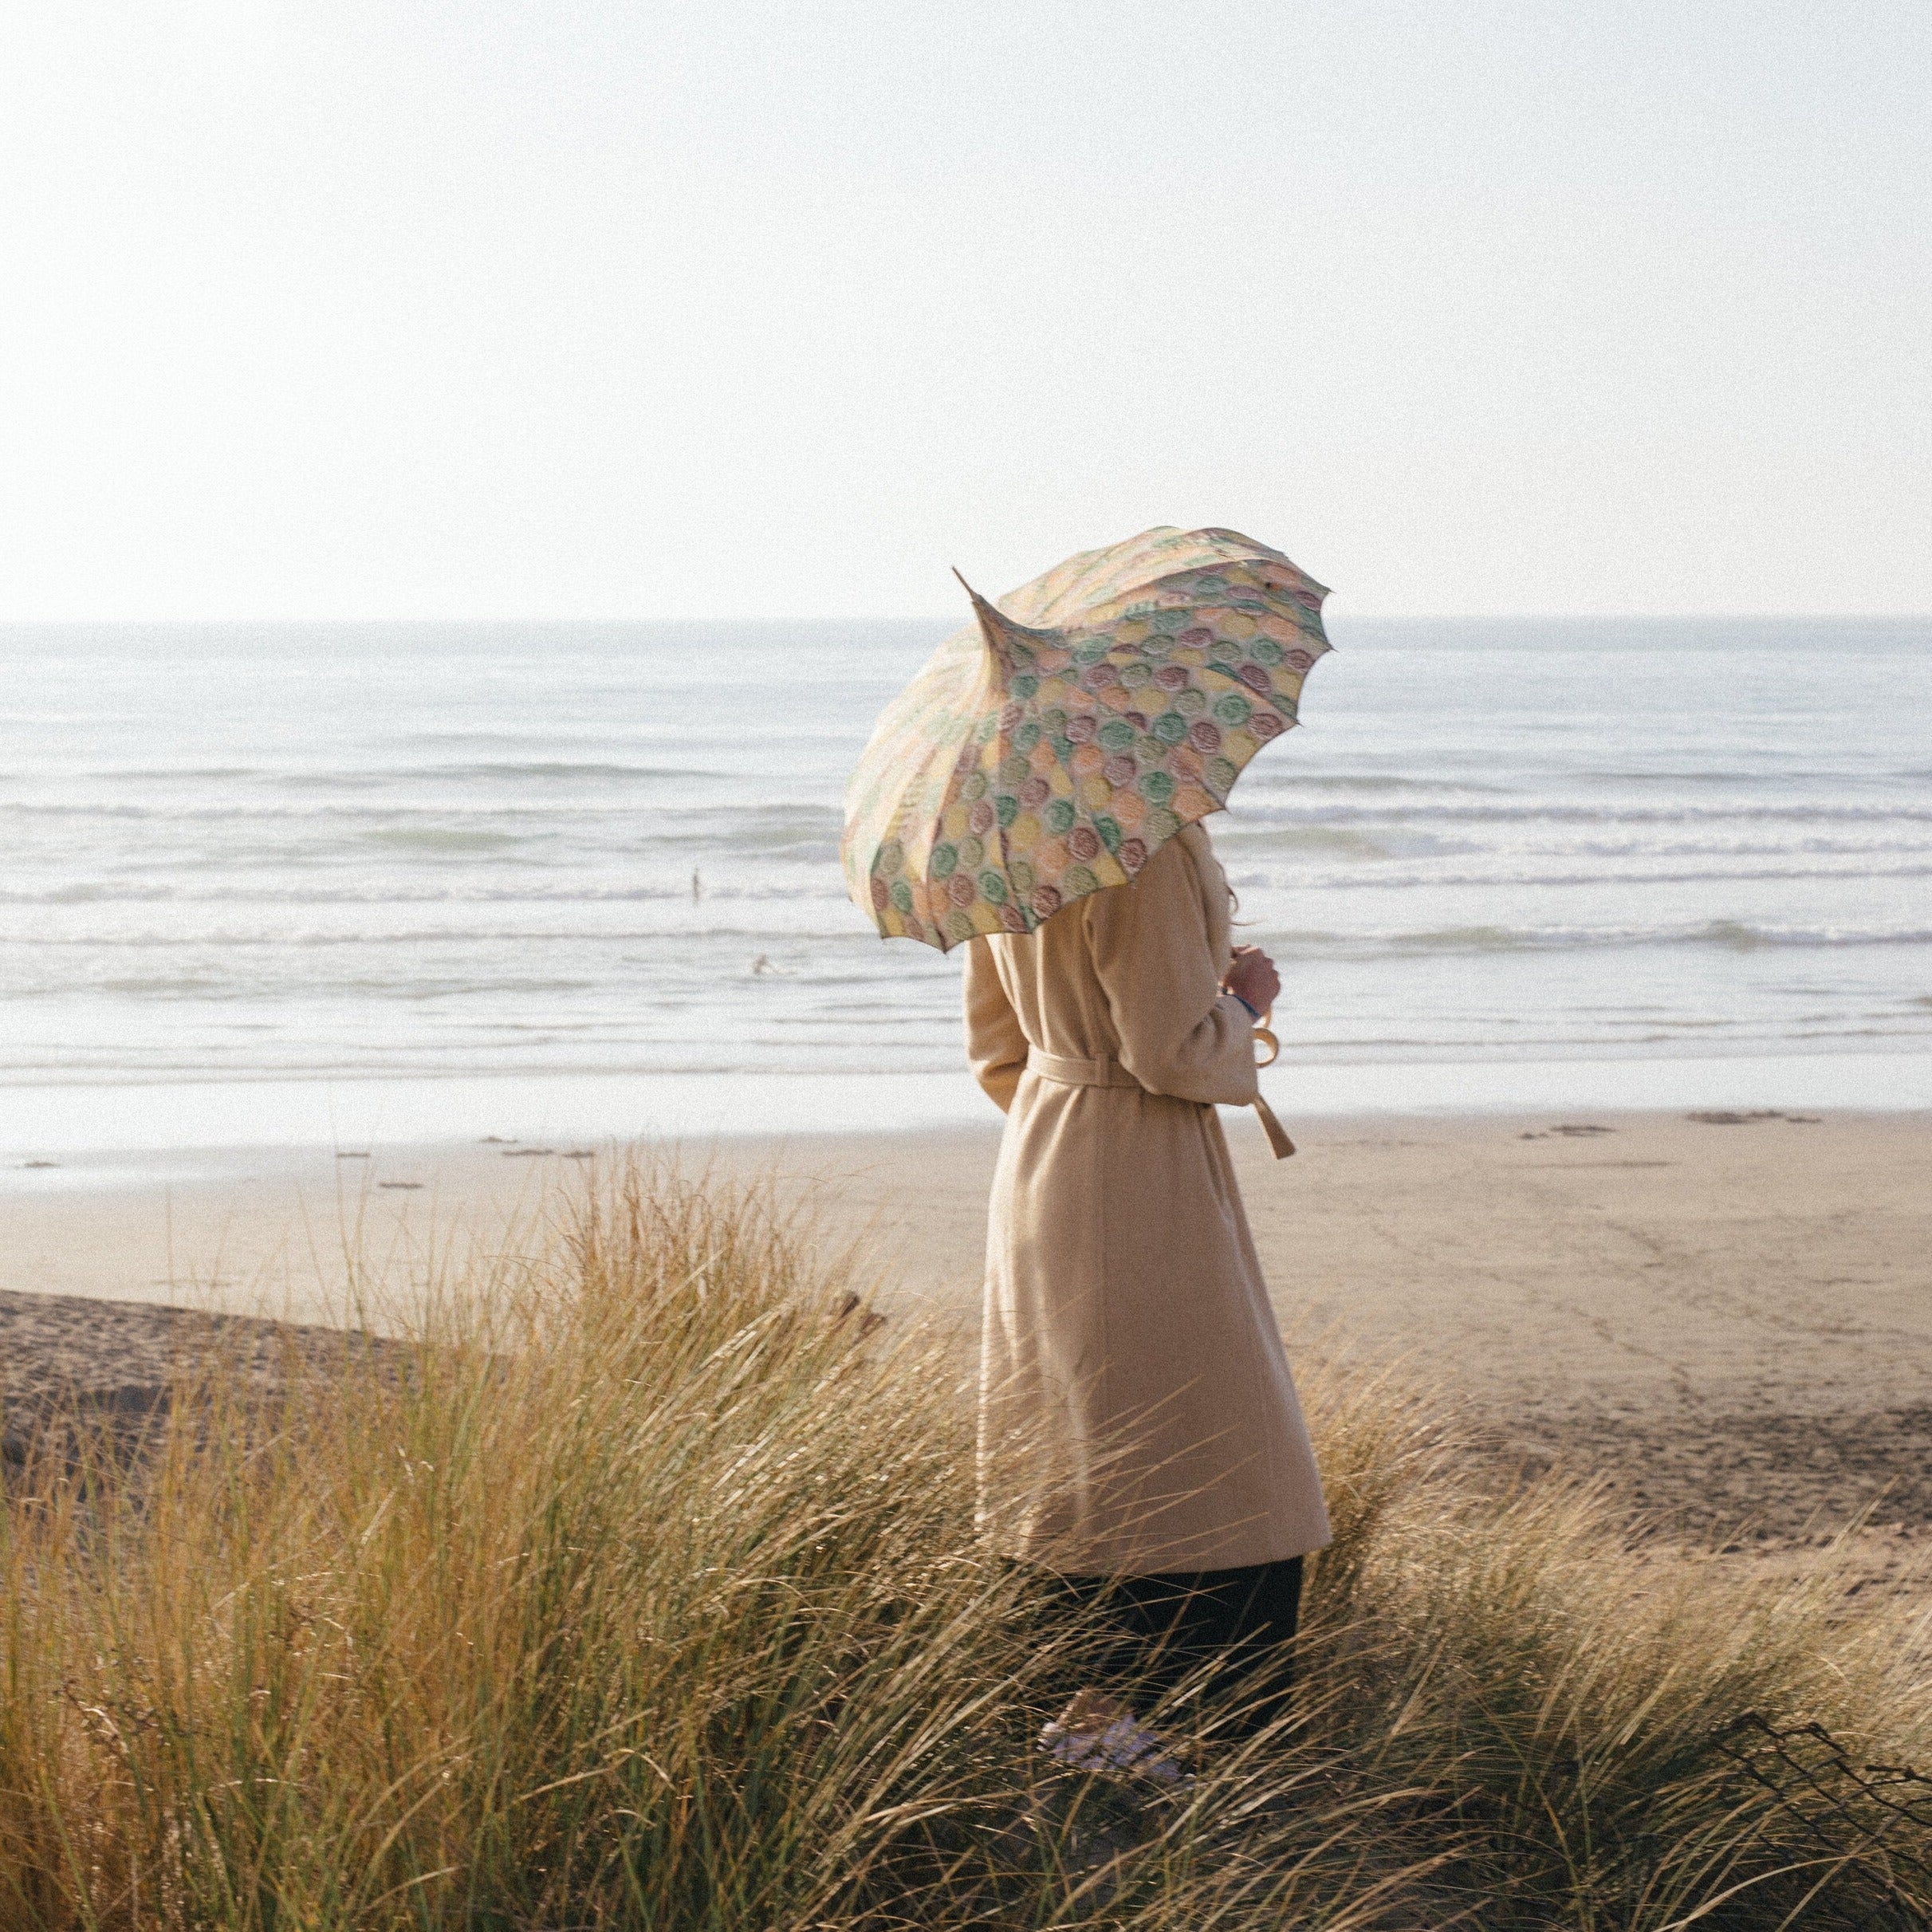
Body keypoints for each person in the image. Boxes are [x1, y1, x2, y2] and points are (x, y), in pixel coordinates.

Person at [962, 820, 1329, 1749]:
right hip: (1139, 1166)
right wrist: (1242, 1003)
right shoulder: (1138, 843)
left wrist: (1083, 1086)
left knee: (1085, 1442)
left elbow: (996, 1049)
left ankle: (1084, 1712)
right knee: (1219, 1450)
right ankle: (1180, 1736)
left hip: (1044, 1150)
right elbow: (1171, 1053)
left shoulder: (1002, 833)